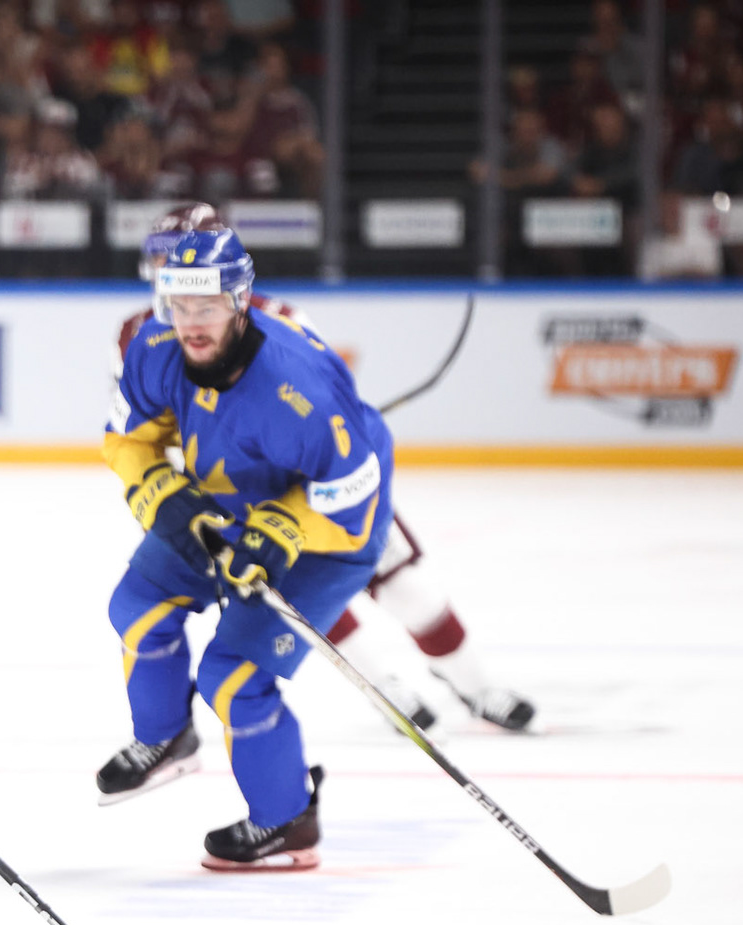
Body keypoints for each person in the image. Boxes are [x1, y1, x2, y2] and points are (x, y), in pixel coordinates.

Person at [97, 206, 531, 803]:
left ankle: (477, 687)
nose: (171, 271)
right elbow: (144, 425)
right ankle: (388, 691)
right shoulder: (140, 336)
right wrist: (170, 494)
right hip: (228, 497)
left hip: (320, 489)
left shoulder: (275, 317)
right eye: (163, 259)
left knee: (407, 589)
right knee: (286, 602)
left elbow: (322, 413)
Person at [97, 221, 390, 871]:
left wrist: (281, 530)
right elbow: (127, 442)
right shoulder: (154, 345)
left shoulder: (301, 386)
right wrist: (165, 497)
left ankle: (286, 819)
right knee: (137, 607)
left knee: (233, 678)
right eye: (178, 304)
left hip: (327, 533)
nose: (190, 322)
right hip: (224, 503)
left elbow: (355, 502)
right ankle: (165, 737)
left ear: (238, 301)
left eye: (205, 306)